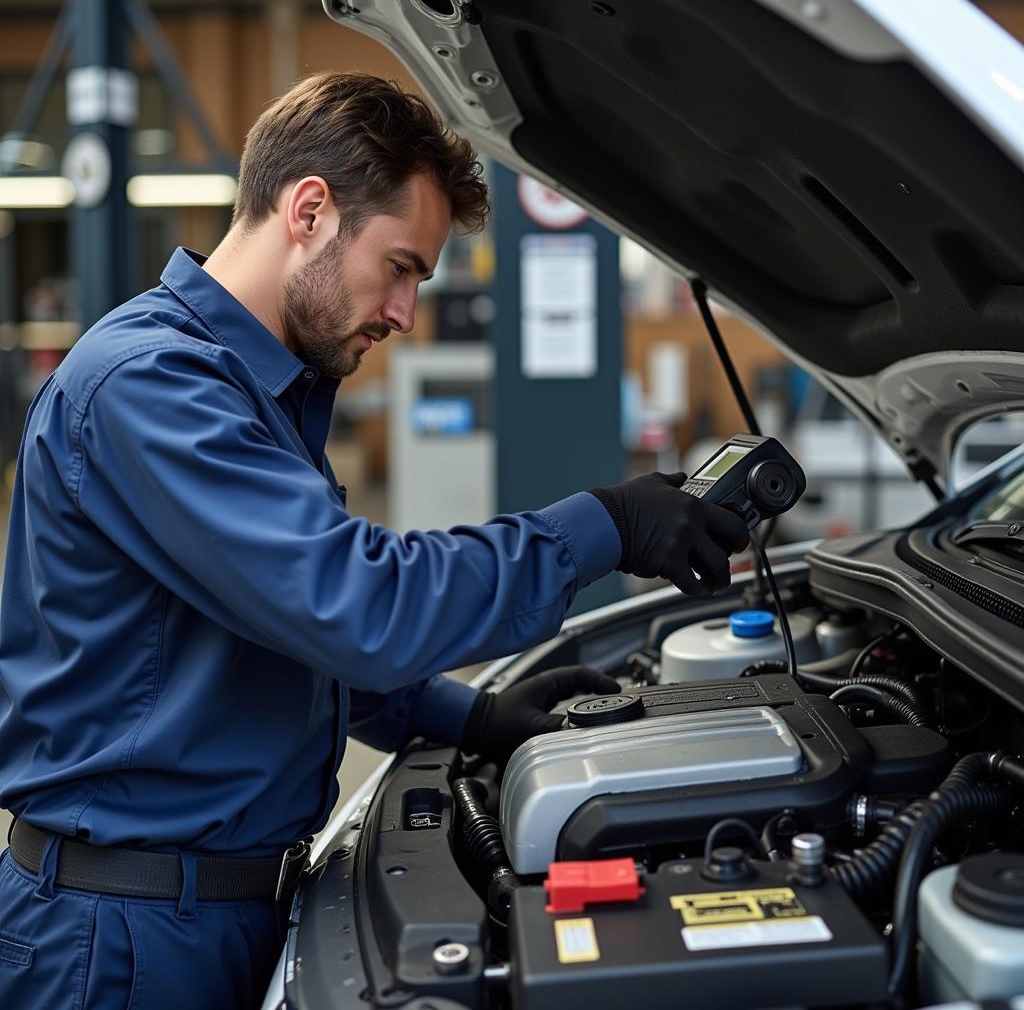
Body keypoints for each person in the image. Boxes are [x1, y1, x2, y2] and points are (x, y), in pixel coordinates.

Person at [0, 72, 748, 1009]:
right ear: (309, 209)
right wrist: (606, 523)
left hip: (205, 914)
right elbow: (357, 607)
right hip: (120, 946)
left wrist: (469, 719)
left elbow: (284, 641)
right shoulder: (154, 388)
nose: (404, 313)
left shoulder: (254, 395)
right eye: (400, 267)